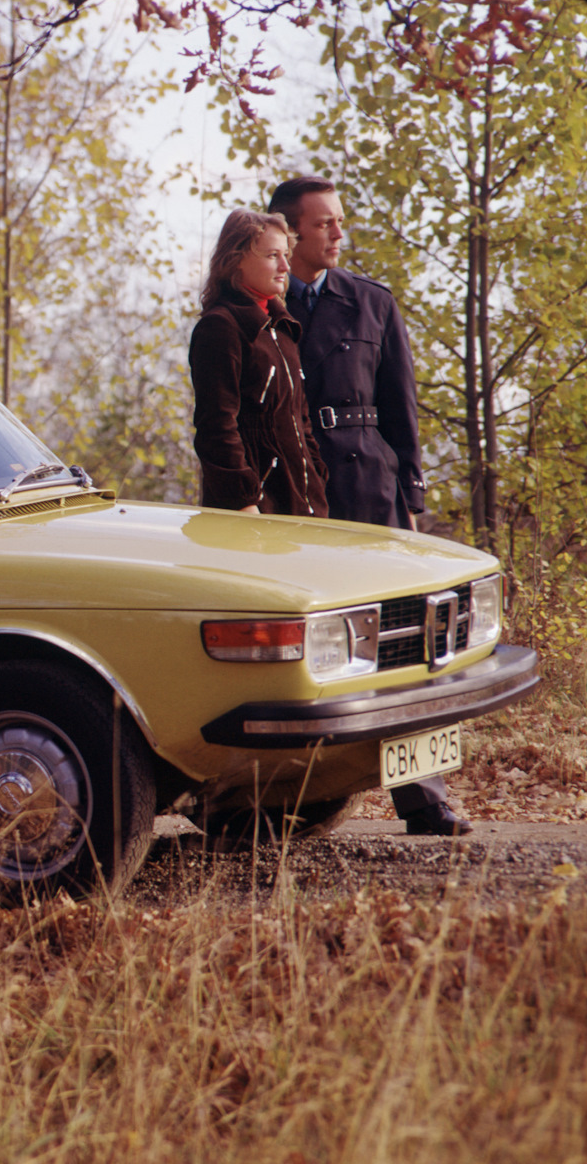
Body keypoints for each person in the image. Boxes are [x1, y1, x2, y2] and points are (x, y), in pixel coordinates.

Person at [268, 175, 472, 837]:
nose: (336, 233)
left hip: (369, 491)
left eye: (339, 222)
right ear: (291, 230)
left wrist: (410, 501)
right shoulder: (255, 306)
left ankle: (425, 799)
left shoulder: (370, 302)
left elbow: (401, 411)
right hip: (292, 499)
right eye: (323, 223)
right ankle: (281, 799)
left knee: (403, 649)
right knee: (302, 652)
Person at [188, 209, 328, 518]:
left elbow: (301, 423)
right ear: (236, 259)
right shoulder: (220, 327)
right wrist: (243, 502)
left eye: (285, 255)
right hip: (254, 513)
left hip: (305, 507)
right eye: (272, 256)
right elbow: (217, 427)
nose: (284, 266)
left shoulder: (283, 328)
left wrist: (317, 480)